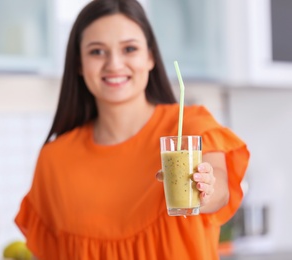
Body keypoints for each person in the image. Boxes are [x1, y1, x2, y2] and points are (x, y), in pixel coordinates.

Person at [15, 0, 250, 259]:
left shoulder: (189, 125)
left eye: (129, 48)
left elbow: (219, 190)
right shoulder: (54, 160)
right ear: (79, 64)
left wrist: (203, 187)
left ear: (149, 57)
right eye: (96, 52)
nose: (114, 64)